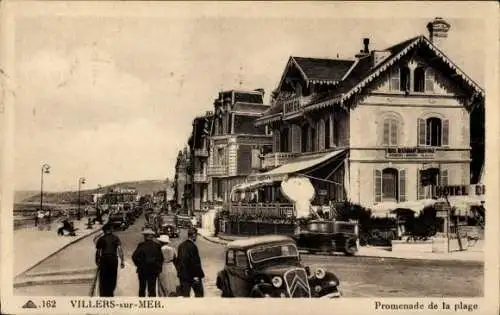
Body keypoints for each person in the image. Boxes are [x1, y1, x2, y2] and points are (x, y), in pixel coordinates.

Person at [132, 228, 164, 297]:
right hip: (153, 270)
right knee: (152, 289)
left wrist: (139, 265)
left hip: (142, 270)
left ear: (145, 236)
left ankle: (142, 305)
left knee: (142, 288)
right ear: (152, 236)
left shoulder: (141, 245)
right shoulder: (157, 246)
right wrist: (158, 267)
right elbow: (161, 258)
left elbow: (134, 257)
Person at [95, 224, 125, 297]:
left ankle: (105, 293)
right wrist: (122, 261)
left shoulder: (101, 239)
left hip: (104, 259)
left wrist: (97, 261)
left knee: (104, 277)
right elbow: (120, 250)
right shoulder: (116, 238)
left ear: (104, 231)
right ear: (110, 230)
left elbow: (98, 252)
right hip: (113, 259)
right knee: (113, 276)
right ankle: (110, 292)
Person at [176, 228, 205, 297]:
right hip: (192, 276)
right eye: (196, 235)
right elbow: (195, 263)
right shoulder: (193, 247)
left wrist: (180, 273)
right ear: (194, 235)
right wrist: (196, 276)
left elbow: (178, 261)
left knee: (185, 296)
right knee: (199, 294)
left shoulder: (181, 245)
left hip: (183, 276)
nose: (196, 237)